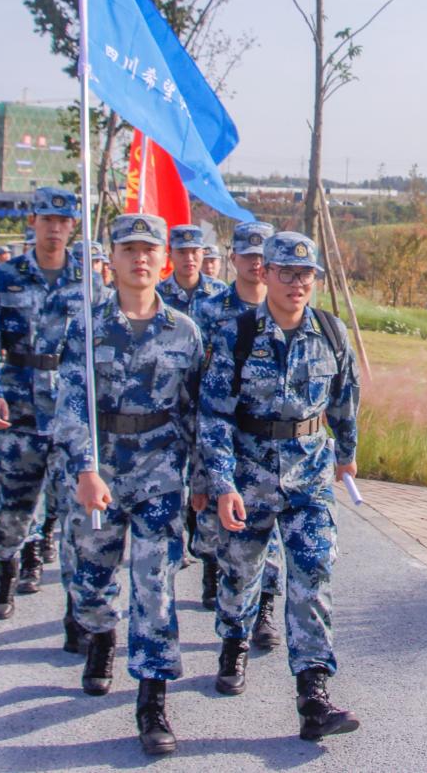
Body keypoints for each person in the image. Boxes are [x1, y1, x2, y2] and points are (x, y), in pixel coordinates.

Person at [199, 231, 360, 742]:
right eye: (285, 273)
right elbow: (214, 416)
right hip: (249, 478)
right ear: (264, 273)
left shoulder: (331, 333)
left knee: (313, 570)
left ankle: (313, 694)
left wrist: (348, 455)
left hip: (310, 477)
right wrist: (222, 483)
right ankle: (233, 643)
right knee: (241, 574)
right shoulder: (237, 336)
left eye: (305, 274)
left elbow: (345, 397)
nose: (296, 283)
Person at [53, 213, 203, 756]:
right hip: (104, 468)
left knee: (156, 586)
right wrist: (85, 468)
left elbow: (196, 412)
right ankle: (100, 636)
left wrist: (203, 480)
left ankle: (153, 699)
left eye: (149, 249)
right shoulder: (87, 326)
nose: (140, 258)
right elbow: (70, 402)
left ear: (163, 260)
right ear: (110, 260)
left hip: (160, 470)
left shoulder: (185, 332)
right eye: (128, 249)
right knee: (91, 576)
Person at [0, 188, 82, 622]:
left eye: (63, 221)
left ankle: (77, 610)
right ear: (32, 221)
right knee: (13, 503)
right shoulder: (3, 277)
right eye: (46, 220)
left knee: (74, 508)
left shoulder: (88, 282)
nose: (54, 228)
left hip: (69, 412)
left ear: (73, 226)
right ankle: (7, 568)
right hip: (18, 407)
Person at [190, 221, 284, 648]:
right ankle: (220, 581)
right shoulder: (210, 312)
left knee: (272, 538)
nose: (255, 263)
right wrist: (201, 471)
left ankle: (265, 609)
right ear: (234, 260)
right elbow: (199, 392)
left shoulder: (286, 310)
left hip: (274, 450)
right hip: (227, 442)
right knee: (225, 537)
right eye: (247, 255)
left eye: (262, 255)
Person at [156, 224, 226, 315]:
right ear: (170, 255)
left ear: (202, 253)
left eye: (194, 251)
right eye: (182, 252)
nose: (189, 258)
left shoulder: (220, 290)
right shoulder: (158, 294)